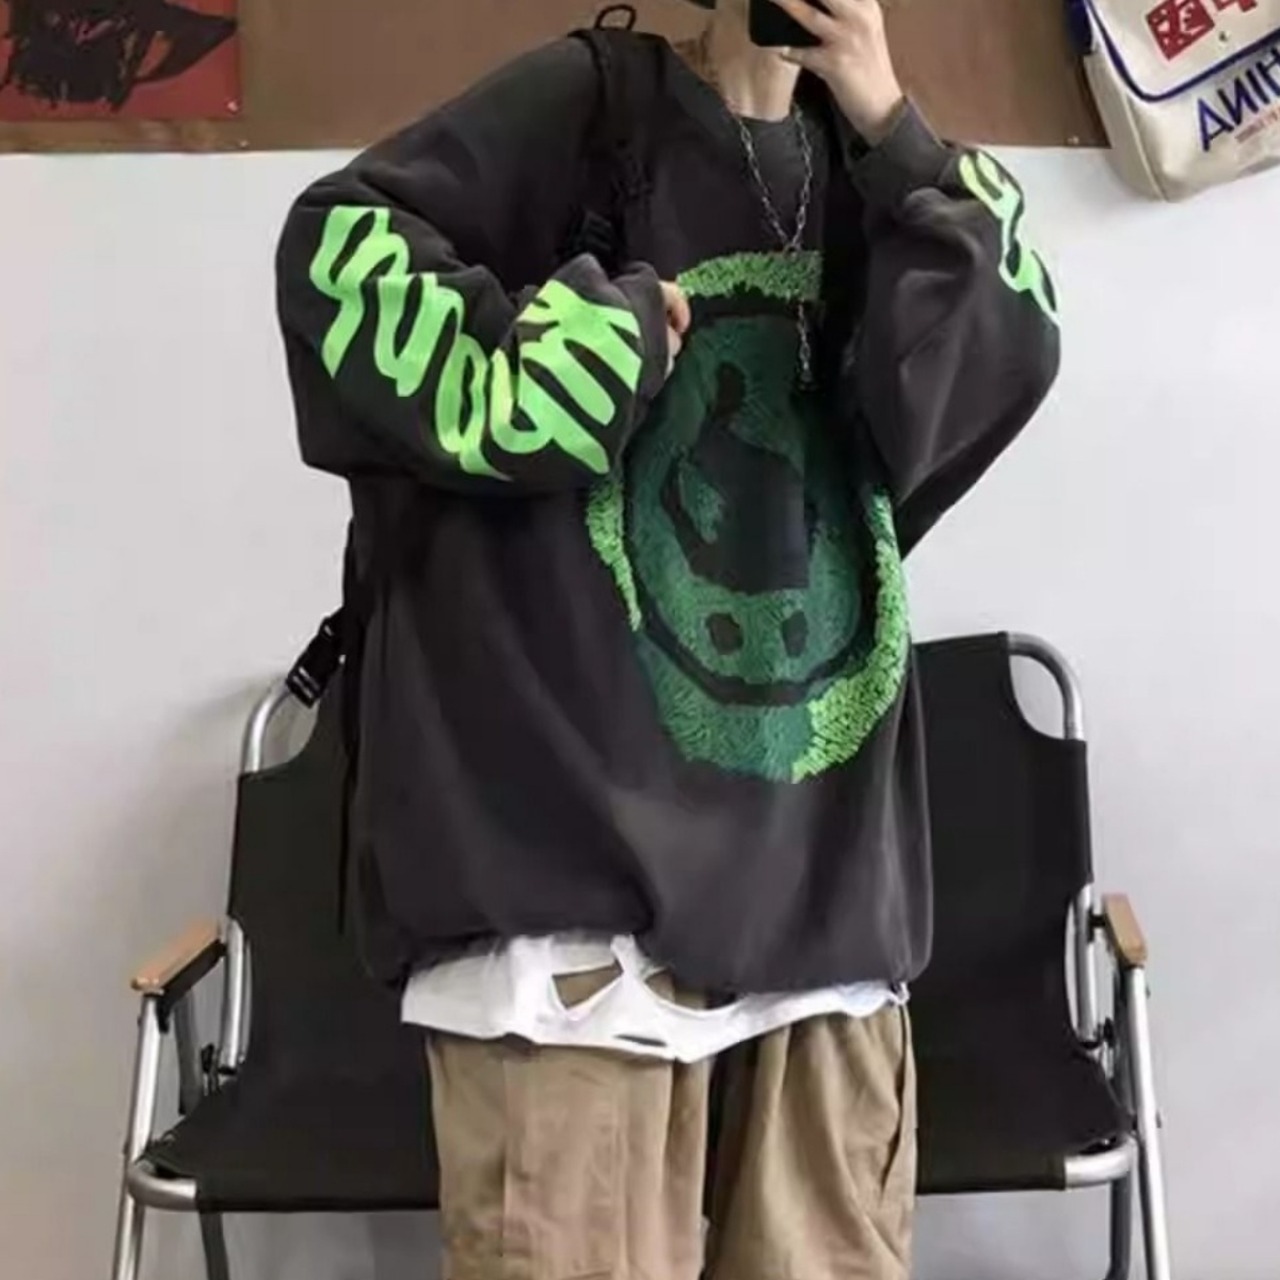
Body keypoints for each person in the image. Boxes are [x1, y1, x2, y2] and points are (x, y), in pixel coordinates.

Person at [275, 0, 1059, 1275]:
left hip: (824, 891)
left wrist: (893, 128)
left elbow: (1002, 355)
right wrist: (555, 365)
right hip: (571, 906)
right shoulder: (586, 110)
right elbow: (332, 254)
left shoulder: (886, 174)